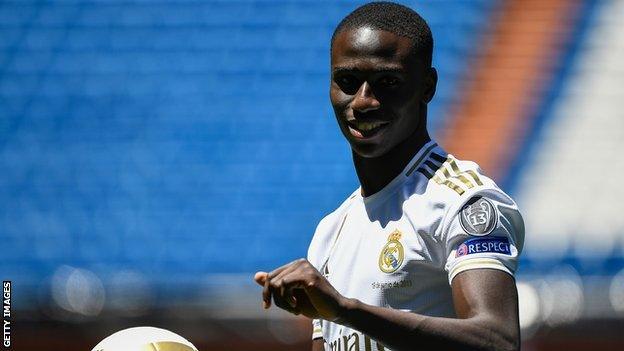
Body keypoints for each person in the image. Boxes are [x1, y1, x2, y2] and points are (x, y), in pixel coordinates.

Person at [254, 2, 524, 350]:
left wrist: (346, 311)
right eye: (347, 81)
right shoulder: (330, 232)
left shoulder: (463, 201)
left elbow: (498, 340)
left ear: (427, 86)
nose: (363, 101)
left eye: (387, 82)